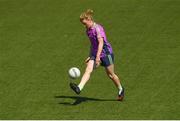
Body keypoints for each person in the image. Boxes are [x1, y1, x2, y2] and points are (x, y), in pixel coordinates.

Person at [70, 9, 124, 101]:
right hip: (95, 53)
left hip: (106, 53)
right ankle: (79, 88)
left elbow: (101, 43)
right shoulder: (88, 30)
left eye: (85, 23)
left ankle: (120, 89)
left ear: (89, 20)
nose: (84, 25)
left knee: (111, 75)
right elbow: (93, 44)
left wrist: (98, 57)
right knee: (88, 69)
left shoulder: (98, 29)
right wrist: (90, 55)